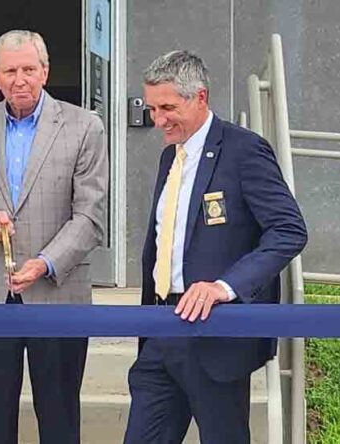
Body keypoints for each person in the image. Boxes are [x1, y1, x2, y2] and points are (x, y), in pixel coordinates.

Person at [123, 51, 307, 444]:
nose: (158, 120)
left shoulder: (244, 150)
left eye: (168, 107)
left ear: (200, 98)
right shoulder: (167, 159)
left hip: (215, 335)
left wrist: (224, 287)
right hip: (159, 330)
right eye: (152, 109)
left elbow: (288, 230)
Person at [0, 30, 108, 444]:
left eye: (29, 69)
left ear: (45, 71)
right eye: (10, 71)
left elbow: (91, 216)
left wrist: (46, 263)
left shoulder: (84, 126)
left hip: (59, 293)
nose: (20, 79)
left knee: (59, 418)